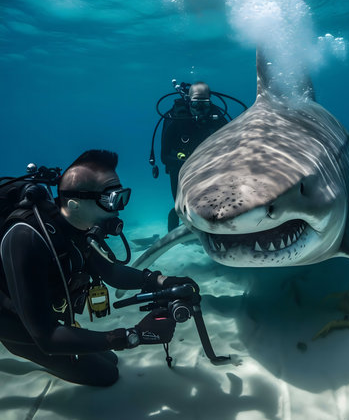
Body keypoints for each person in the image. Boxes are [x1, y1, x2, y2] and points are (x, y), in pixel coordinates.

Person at [0, 150, 198, 386]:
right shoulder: (26, 238)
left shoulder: (81, 229)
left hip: (50, 320)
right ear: (74, 205)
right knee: (106, 375)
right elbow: (47, 337)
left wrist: (161, 281)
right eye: (111, 200)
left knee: (110, 358)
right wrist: (132, 335)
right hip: (19, 326)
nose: (119, 209)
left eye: (122, 197)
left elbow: (112, 273)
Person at [160, 82, 228, 231]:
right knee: (182, 205)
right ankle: (176, 216)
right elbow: (164, 156)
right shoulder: (175, 118)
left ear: (210, 102)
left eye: (204, 105)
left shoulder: (216, 117)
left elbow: (232, 145)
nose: (200, 111)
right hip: (180, 168)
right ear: (188, 101)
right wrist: (186, 162)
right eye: (196, 105)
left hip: (209, 166)